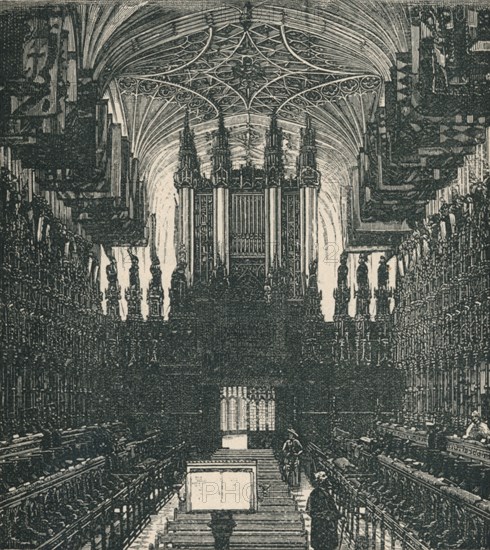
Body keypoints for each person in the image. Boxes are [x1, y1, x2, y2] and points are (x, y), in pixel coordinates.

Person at [306, 471, 342, 550]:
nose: (327, 482)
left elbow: (332, 507)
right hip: (320, 526)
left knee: (330, 545)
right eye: (325, 480)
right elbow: (310, 511)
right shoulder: (315, 493)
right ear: (320, 482)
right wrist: (325, 516)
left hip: (329, 526)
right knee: (321, 545)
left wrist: (338, 515)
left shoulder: (326, 493)